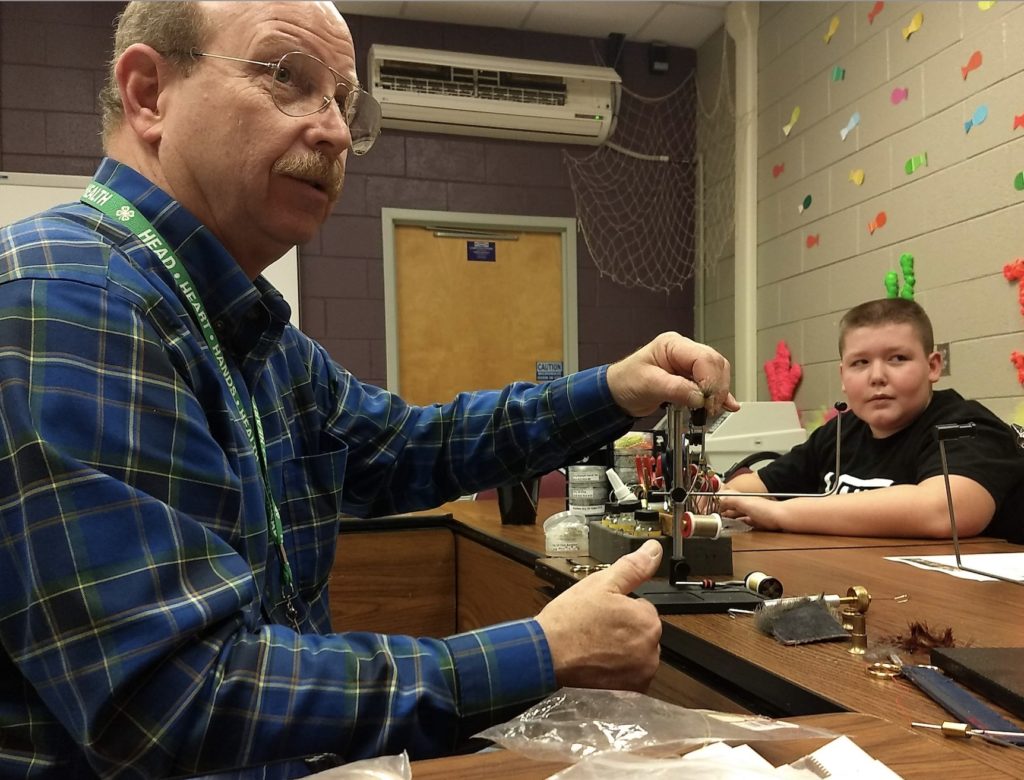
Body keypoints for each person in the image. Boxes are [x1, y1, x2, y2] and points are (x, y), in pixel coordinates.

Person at [0, 2, 739, 777]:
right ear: (150, 93)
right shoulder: (71, 297)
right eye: (287, 78)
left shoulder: (247, 332)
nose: (335, 133)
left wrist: (614, 390)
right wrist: (540, 652)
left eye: (346, 104)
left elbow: (412, 446)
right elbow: (174, 699)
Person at [720, 298, 1024, 542]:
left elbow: (946, 511)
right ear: (842, 375)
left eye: (897, 359)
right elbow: (754, 487)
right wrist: (719, 495)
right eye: (860, 363)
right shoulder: (840, 432)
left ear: (933, 366)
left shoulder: (965, 426)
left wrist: (780, 514)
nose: (877, 376)